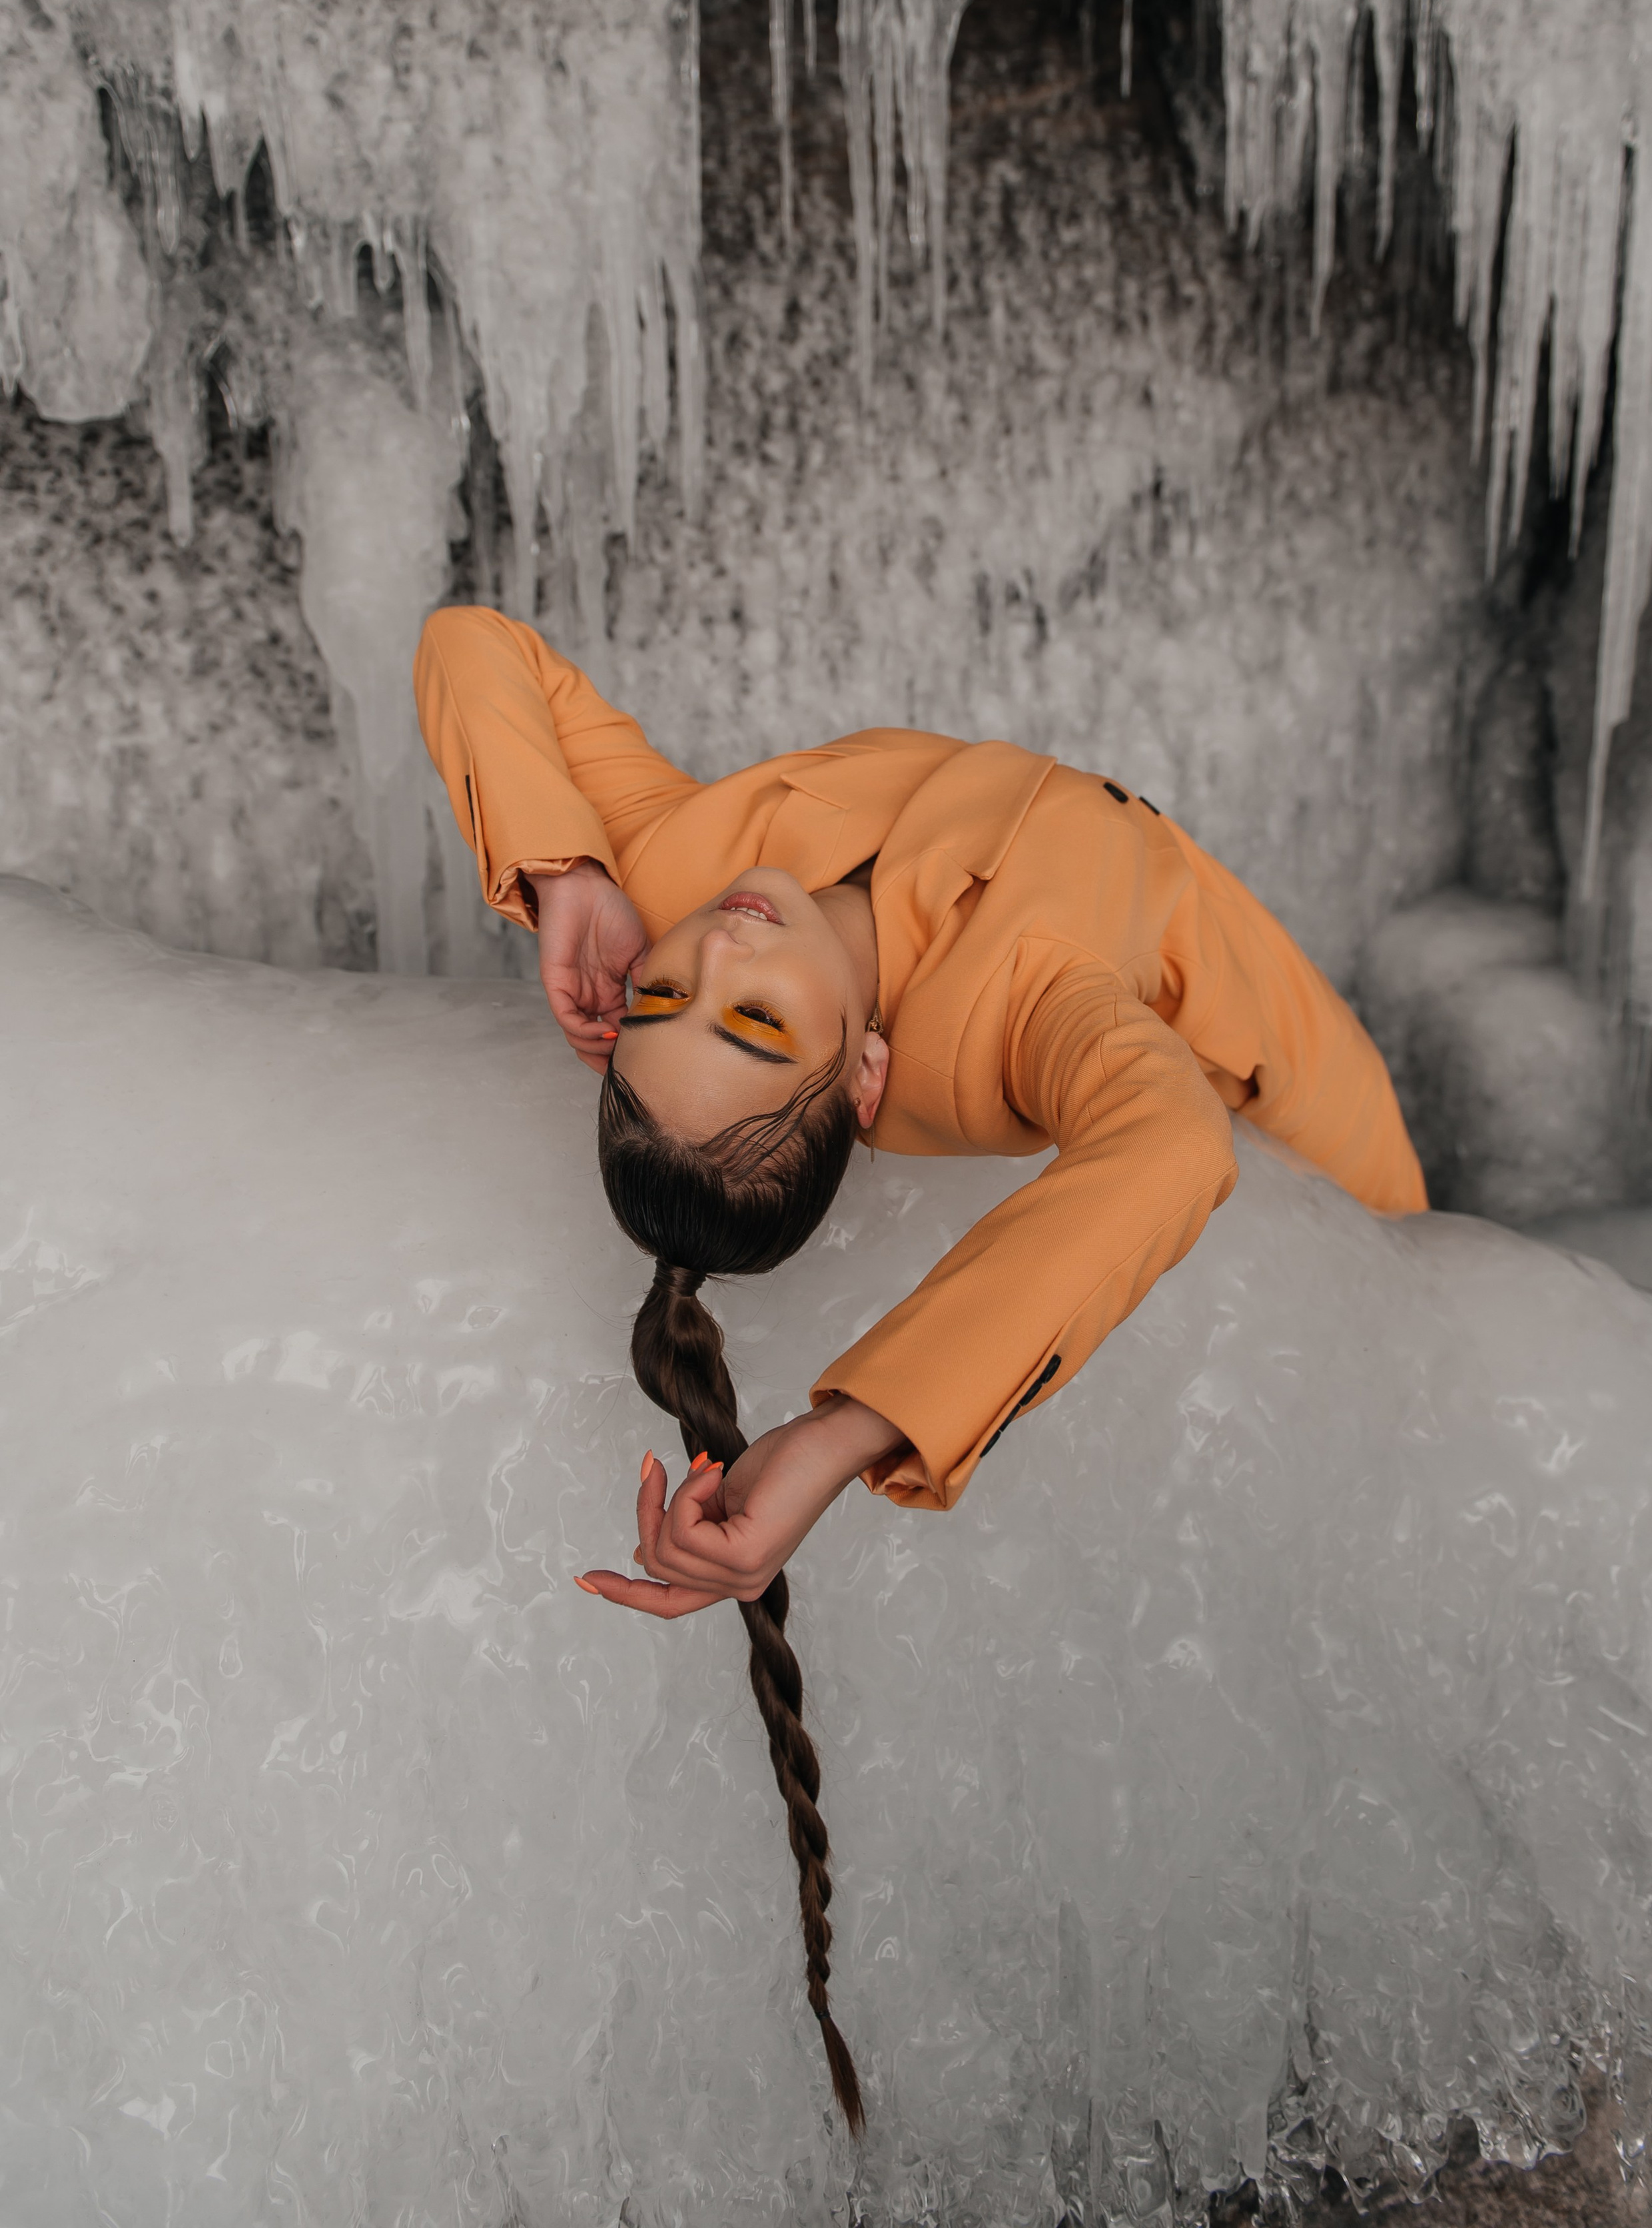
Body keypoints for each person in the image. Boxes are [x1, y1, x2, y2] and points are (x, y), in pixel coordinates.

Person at [413, 602, 1427, 2129]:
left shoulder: (685, 875)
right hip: (1320, 1149)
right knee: (1425, 1314)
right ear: (866, 1075)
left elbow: (475, 643)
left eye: (670, 1000)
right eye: (756, 1022)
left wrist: (565, 876)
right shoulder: (1027, 1018)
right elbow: (1165, 1146)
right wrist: (829, 1442)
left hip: (1294, 1106)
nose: (720, 955)